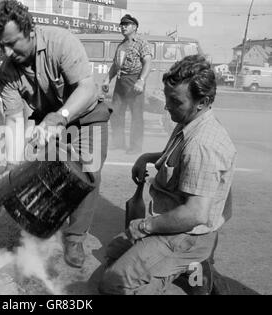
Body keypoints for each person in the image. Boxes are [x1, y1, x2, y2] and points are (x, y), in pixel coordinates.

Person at [0, 0, 111, 268]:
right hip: (48, 119)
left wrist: (60, 117)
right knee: (44, 169)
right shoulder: (7, 73)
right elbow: (14, 119)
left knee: (88, 173)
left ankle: (75, 237)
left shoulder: (61, 42)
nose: (7, 52)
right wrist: (12, 167)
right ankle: (44, 222)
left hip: (86, 115)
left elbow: (87, 88)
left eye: (12, 43)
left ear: (29, 30)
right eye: (1, 46)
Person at [99, 55, 237, 295]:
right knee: (112, 253)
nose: (166, 106)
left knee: (113, 284)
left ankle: (191, 268)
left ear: (202, 102)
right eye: (167, 98)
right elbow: (175, 156)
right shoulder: (189, 120)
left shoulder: (202, 145)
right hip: (172, 224)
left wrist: (145, 226)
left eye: (175, 101)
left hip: (185, 235)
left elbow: (194, 214)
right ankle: (180, 270)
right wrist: (147, 158)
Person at [102, 14, 152, 154]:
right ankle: (118, 143)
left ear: (135, 27)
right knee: (115, 112)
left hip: (134, 81)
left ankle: (135, 147)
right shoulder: (121, 45)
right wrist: (107, 79)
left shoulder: (141, 43)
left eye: (126, 24)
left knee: (136, 116)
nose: (123, 27)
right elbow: (115, 65)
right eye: (122, 25)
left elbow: (147, 62)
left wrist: (141, 81)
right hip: (120, 82)